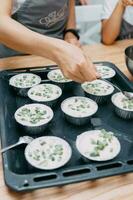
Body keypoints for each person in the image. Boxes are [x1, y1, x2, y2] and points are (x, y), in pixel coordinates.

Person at [0, 0, 99, 83]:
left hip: (57, 63)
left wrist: (70, 32)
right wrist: (58, 51)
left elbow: (70, 3)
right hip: (17, 60)